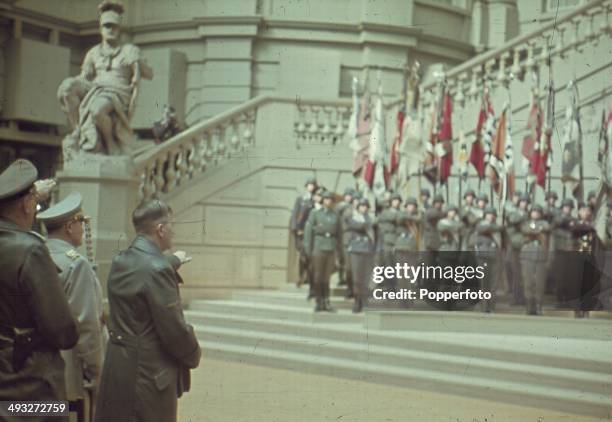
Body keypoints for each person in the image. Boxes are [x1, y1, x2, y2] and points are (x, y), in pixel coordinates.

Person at [95, 199, 201, 422]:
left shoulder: (121, 260)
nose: (174, 230)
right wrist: (194, 353)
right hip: (147, 375)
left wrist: (172, 260)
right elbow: (175, 332)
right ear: (161, 229)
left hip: (119, 368)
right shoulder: (158, 268)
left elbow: (143, 272)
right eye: (171, 225)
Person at [0, 159, 78, 420]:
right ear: (25, 204)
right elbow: (64, 333)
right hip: (30, 391)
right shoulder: (31, 251)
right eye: (34, 202)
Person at [37, 192, 107, 422]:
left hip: (36, 370)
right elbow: (86, 325)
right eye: (80, 222)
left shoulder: (37, 255)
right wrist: (97, 372)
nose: (82, 228)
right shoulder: (76, 265)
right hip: (69, 374)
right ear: (69, 226)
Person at [58, 0, 151, 156]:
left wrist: (139, 62)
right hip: (96, 87)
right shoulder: (94, 52)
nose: (111, 30)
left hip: (118, 91)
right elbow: (84, 77)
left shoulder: (129, 50)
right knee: (66, 88)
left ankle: (109, 143)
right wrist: (74, 84)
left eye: (114, 26)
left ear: (119, 29)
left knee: (96, 111)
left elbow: (149, 74)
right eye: (107, 26)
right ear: (100, 29)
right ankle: (79, 131)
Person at [303, 191, 342, 312]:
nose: (328, 201)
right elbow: (308, 233)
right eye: (326, 199)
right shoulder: (315, 214)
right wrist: (308, 250)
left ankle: (327, 301)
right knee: (318, 276)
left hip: (330, 248)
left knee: (326, 278)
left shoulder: (336, 216)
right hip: (318, 248)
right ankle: (318, 301)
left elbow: (339, 235)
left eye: (330, 200)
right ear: (322, 201)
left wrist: (339, 252)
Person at [520, 204, 551, 315]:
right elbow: (525, 230)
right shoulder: (526, 223)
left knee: (539, 283)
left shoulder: (545, 223)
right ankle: (529, 307)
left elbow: (547, 228)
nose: (536, 213)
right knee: (528, 282)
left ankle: (538, 306)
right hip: (527, 257)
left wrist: (534, 230)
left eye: (538, 212)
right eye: (534, 211)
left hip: (540, 257)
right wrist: (537, 231)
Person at [346, 198, 376, 313]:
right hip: (356, 250)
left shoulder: (369, 219)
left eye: (365, 206)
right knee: (357, 279)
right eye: (361, 206)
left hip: (367, 251)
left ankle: (364, 300)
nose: (363, 208)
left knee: (366, 278)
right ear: (358, 208)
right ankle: (357, 301)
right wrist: (368, 224)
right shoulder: (353, 217)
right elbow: (356, 226)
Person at [290, 177, 317, 291]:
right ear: (306, 186)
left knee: (311, 256)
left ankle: (309, 277)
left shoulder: (316, 200)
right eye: (309, 184)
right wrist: (296, 229)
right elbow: (295, 215)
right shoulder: (300, 199)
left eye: (313, 185)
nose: (311, 186)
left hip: (311, 233)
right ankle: (301, 276)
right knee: (303, 255)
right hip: (301, 232)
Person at [475, 206, 502, 312]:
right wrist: (497, 227)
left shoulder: (497, 227)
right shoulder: (481, 225)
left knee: (493, 284)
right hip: (483, 257)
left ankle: (491, 306)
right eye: (488, 214)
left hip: (494, 257)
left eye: (492, 214)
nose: (491, 216)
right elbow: (483, 229)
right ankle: (484, 306)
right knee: (483, 283)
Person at [505, 194, 529, 306]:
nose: (524, 204)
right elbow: (512, 219)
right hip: (513, 247)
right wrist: (523, 215)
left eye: (526, 202)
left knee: (524, 274)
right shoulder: (514, 213)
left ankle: (522, 297)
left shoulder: (528, 214)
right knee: (515, 274)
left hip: (524, 246)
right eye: (522, 201)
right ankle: (515, 298)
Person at [376, 192, 402, 291]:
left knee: (396, 267)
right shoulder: (386, 213)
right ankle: (389, 288)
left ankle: (394, 287)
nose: (396, 203)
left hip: (398, 242)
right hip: (387, 242)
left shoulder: (400, 213)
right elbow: (384, 219)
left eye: (398, 201)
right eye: (394, 201)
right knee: (388, 265)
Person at [335, 187, 355, 295]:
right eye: (347, 195)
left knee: (349, 264)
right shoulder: (340, 207)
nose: (348, 197)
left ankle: (349, 287)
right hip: (341, 235)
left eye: (350, 195)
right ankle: (340, 278)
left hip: (349, 237)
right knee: (340, 259)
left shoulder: (354, 207)